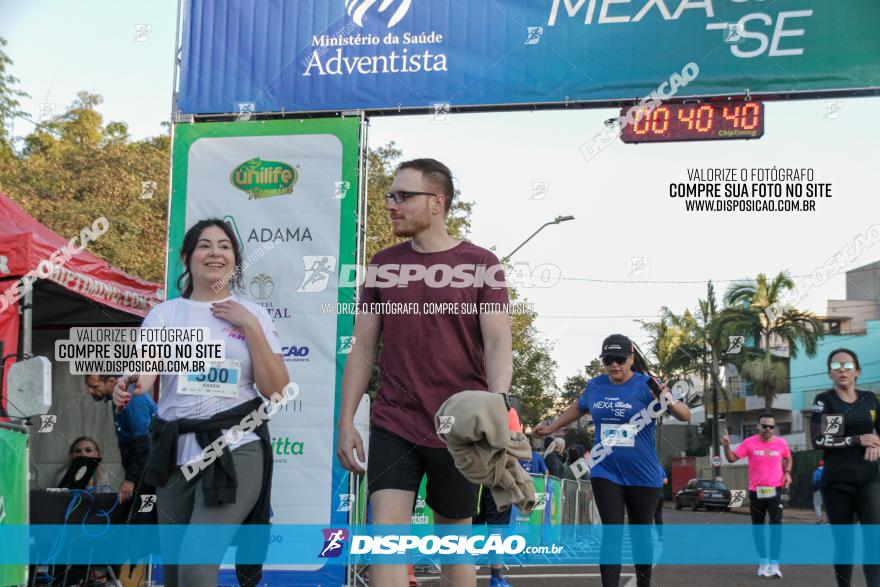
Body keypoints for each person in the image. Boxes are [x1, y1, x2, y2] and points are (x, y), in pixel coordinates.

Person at [335, 158, 512, 587]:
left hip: (460, 427)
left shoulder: (482, 263)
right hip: (395, 421)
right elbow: (362, 350)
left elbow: (498, 343)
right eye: (390, 196)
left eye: (402, 196)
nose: (391, 204)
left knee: (455, 549)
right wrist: (346, 421)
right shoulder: (382, 264)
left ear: (437, 201)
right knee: (386, 539)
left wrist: (496, 406)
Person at [112, 219, 289, 587]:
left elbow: (276, 390)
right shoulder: (166, 314)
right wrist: (128, 384)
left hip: (236, 447)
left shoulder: (253, 314)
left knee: (197, 564)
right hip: (175, 453)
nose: (215, 253)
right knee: (175, 575)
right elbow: (145, 372)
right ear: (187, 257)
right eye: (205, 245)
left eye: (224, 246)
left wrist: (250, 328)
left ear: (235, 260)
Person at [534, 334, 690, 587]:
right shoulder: (595, 385)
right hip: (606, 470)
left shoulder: (647, 385)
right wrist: (552, 427)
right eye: (608, 359)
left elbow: (684, 415)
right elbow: (578, 407)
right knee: (612, 534)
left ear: (631, 359)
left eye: (619, 359)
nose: (614, 364)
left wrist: (667, 399)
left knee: (640, 537)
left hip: (643, 473)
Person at [810, 348, 880, 587]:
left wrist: (877, 441)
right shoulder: (827, 401)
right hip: (838, 483)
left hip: (869, 479)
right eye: (836, 366)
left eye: (848, 366)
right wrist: (859, 439)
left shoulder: (869, 399)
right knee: (845, 545)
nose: (842, 369)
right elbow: (821, 440)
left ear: (857, 372)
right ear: (830, 373)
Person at [721, 413, 792, 578]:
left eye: (771, 427)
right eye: (765, 426)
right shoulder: (749, 443)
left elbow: (788, 458)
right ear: (758, 426)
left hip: (775, 490)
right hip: (756, 492)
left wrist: (787, 473)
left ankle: (774, 565)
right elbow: (732, 459)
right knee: (758, 529)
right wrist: (726, 446)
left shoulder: (781, 443)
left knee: (776, 527)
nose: (768, 429)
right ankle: (763, 562)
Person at [85, 374, 157, 504]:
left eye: (94, 386)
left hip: (150, 475)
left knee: (144, 519)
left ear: (112, 382)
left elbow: (144, 444)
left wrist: (130, 479)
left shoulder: (130, 398)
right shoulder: (119, 397)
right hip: (143, 472)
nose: (89, 391)